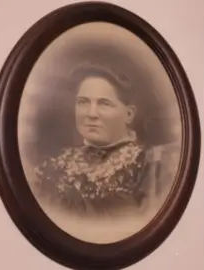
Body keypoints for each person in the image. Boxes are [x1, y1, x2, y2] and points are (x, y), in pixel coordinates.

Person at [31, 62, 178, 216]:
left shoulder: (151, 166)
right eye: (83, 102)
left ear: (129, 114)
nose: (91, 114)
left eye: (104, 104)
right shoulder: (55, 165)